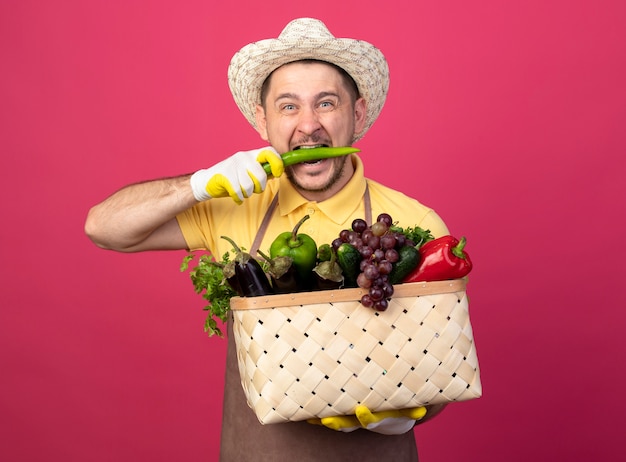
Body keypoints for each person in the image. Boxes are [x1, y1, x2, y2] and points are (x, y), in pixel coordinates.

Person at [85, 17, 450, 461]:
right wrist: (198, 184)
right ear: (263, 120)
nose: (309, 126)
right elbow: (104, 229)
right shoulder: (234, 205)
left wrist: (410, 415)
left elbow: (442, 354)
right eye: (288, 106)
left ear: (357, 113)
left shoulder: (416, 223)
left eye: (327, 103)